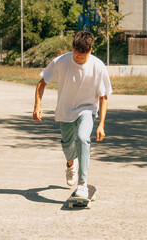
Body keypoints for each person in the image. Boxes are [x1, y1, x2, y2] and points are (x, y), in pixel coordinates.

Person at [33, 31, 112, 198]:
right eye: (76, 52)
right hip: (65, 110)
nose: (79, 56)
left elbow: (104, 97)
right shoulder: (61, 62)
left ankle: (82, 184)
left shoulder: (98, 66)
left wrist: (101, 124)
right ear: (72, 47)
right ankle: (71, 164)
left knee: (83, 138)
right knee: (67, 146)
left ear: (90, 50)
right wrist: (37, 105)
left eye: (83, 54)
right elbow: (42, 83)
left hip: (87, 109)